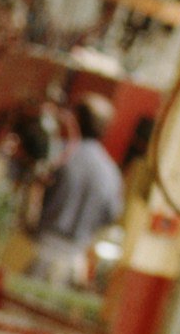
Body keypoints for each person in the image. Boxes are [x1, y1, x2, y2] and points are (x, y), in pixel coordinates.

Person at [33, 98, 127, 284]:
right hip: (76, 258)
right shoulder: (111, 171)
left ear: (76, 119)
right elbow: (112, 214)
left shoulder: (60, 154)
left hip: (38, 249)